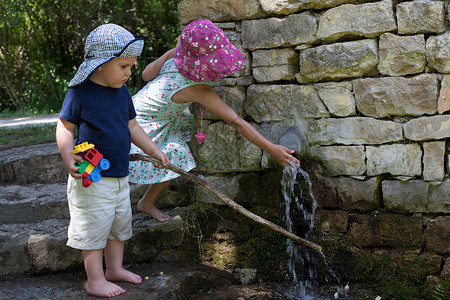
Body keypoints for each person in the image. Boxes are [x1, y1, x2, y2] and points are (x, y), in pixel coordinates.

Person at [129, 19, 299, 222]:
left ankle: (145, 203)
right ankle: (124, 206)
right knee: (163, 156)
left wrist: (171, 53)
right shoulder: (199, 89)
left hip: (139, 111)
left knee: (172, 154)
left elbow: (147, 74)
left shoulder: (175, 58)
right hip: (140, 123)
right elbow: (236, 122)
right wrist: (271, 149)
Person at [56, 23, 169, 298]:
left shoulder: (122, 94)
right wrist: (68, 155)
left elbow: (132, 127)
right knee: (93, 227)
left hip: (119, 176)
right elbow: (64, 126)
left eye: (131, 66)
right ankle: (94, 279)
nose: (129, 73)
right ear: (100, 65)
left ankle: (114, 269)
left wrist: (153, 149)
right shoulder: (80, 93)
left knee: (119, 225)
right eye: (123, 67)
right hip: (91, 176)